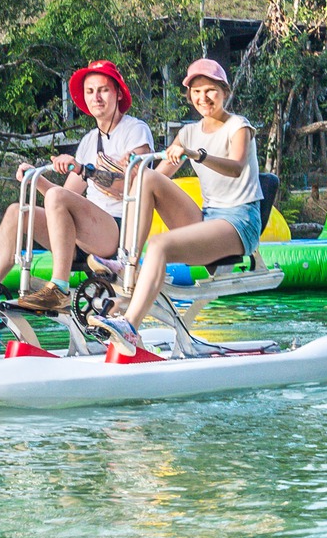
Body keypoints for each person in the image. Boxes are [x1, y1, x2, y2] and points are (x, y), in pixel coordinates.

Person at [0, 61, 153, 317]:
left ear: (119, 94)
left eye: (104, 90)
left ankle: (59, 288)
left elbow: (132, 186)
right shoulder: (90, 140)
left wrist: (81, 169)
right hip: (84, 234)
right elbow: (65, 195)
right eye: (90, 92)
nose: (96, 98)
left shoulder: (135, 130)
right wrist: (35, 178)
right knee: (17, 211)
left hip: (117, 234)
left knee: (57, 196)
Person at [104, 57, 264, 352]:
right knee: (147, 178)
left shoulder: (238, 126)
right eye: (197, 92)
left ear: (224, 92)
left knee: (160, 245)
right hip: (207, 218)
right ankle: (127, 262)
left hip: (239, 221)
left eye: (210, 91)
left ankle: (129, 326)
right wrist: (130, 167)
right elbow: (152, 180)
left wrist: (196, 154)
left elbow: (237, 166)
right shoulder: (189, 131)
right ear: (190, 96)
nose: (203, 98)